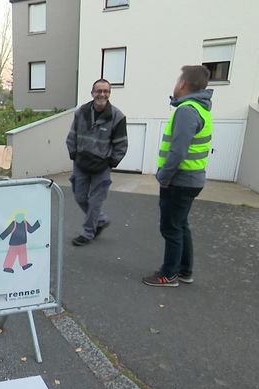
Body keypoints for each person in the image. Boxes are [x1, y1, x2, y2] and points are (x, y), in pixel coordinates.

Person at [143, 65, 213, 287]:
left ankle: (169, 275)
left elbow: (178, 150)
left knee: (171, 228)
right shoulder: (201, 109)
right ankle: (184, 271)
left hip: (179, 181)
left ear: (183, 84)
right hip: (191, 180)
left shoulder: (187, 110)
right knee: (181, 225)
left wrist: (163, 175)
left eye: (177, 80)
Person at [66, 78, 128, 246]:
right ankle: (100, 219)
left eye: (105, 91)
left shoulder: (117, 116)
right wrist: (74, 154)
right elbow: (72, 135)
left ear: (109, 93)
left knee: (95, 202)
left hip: (101, 167)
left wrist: (110, 162)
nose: (102, 94)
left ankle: (87, 233)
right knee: (79, 197)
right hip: (81, 164)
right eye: (99, 91)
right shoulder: (81, 112)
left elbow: (121, 144)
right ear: (92, 93)